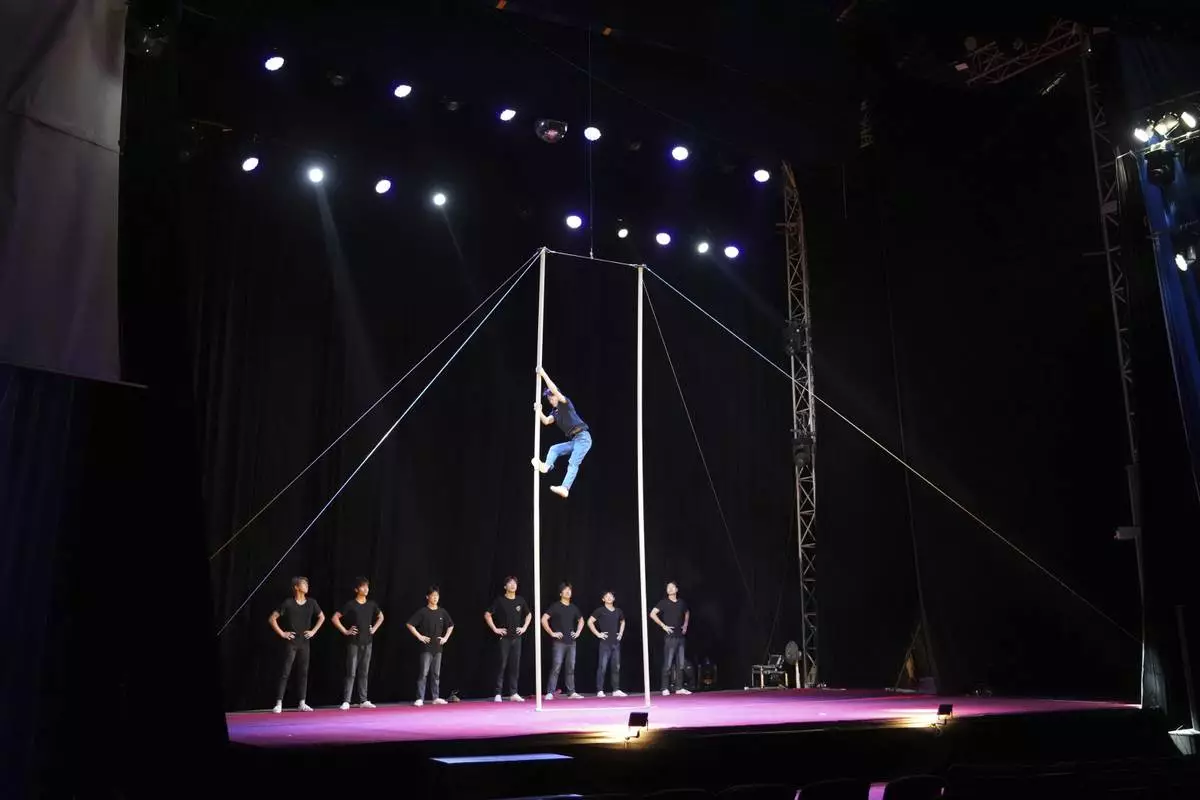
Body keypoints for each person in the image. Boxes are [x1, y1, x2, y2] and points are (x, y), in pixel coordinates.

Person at [531, 366, 592, 499]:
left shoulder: (565, 403)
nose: (551, 400)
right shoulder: (555, 412)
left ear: (557, 396)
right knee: (554, 449)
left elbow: (554, 389)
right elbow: (546, 421)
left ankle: (565, 488)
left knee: (573, 462)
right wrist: (538, 411)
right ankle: (546, 466)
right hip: (574, 440)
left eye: (552, 397)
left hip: (583, 438)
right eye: (549, 399)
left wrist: (543, 374)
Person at [269, 576, 325, 713]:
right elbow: (272, 618)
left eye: (307, 583)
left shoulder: (312, 602)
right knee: (285, 672)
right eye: (304, 584)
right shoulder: (288, 603)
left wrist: (313, 631)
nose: (307, 586)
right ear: (296, 587)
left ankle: (302, 702)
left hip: (305, 642)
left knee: (303, 673)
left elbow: (322, 617)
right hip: (291, 643)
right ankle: (279, 703)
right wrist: (282, 633)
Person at [332, 577, 384, 710]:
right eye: (363, 586)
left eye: (367, 586)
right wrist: (345, 631)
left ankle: (363, 699)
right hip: (354, 642)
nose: (366, 589)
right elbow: (335, 617)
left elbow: (381, 616)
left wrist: (374, 629)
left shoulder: (372, 604)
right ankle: (346, 700)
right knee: (351, 672)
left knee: (364, 672)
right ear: (356, 589)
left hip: (368, 642)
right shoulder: (351, 604)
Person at [485, 576, 532, 702]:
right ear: (505, 586)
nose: (513, 585)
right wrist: (495, 629)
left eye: (514, 583)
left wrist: (524, 627)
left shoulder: (520, 600)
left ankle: (513, 693)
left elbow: (529, 614)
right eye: (510, 583)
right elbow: (487, 614)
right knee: (501, 665)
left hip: (517, 638)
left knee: (515, 666)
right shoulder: (500, 600)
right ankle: (498, 693)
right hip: (504, 638)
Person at [406, 586, 455, 706]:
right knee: (423, 673)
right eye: (433, 595)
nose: (435, 598)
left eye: (437, 596)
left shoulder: (442, 612)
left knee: (436, 674)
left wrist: (445, 638)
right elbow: (410, 624)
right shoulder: (423, 611)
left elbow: (451, 625)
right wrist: (419, 636)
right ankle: (420, 698)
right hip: (426, 648)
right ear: (427, 597)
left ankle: (435, 697)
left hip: (438, 647)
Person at [541, 582, 585, 699]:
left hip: (571, 642)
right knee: (556, 666)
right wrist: (552, 633)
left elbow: (581, 620)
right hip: (559, 642)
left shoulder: (573, 607)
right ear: (561, 593)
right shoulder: (555, 606)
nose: (568, 592)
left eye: (569, 590)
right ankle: (550, 692)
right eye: (565, 590)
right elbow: (544, 619)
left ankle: (571, 692)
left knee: (570, 667)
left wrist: (578, 632)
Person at [650, 581, 691, 696]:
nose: (670, 589)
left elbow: (687, 612)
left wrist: (685, 625)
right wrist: (663, 626)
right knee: (668, 663)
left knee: (681, 663)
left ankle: (679, 687)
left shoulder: (681, 602)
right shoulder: (663, 602)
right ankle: (664, 688)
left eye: (672, 587)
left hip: (680, 636)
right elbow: (652, 614)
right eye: (668, 587)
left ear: (676, 589)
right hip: (670, 637)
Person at [588, 591, 627, 697]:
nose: (609, 598)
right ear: (603, 599)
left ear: (614, 599)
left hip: (616, 643)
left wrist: (621, 633)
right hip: (605, 643)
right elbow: (590, 622)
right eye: (607, 596)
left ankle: (616, 689)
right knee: (602, 666)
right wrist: (598, 634)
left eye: (611, 596)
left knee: (616, 667)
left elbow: (623, 621)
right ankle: (600, 690)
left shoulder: (618, 611)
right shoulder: (600, 610)